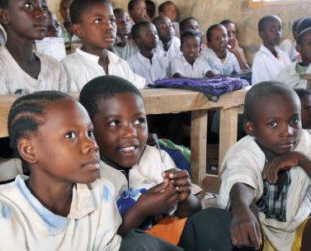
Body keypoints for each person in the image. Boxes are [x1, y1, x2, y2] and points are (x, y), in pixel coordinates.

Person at [0, 91, 122, 250]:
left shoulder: (100, 195)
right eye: (70, 135)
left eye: (90, 133)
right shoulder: (0, 217)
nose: (92, 145)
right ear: (29, 150)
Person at [180, 82, 311, 251]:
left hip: (298, 233)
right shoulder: (244, 151)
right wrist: (241, 209)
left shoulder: (305, 144)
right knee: (222, 219)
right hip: (260, 234)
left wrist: (302, 160)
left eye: (294, 120)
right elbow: (240, 180)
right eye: (273, 124)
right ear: (250, 128)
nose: (288, 131)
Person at [79, 75, 201, 246]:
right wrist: (141, 210)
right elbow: (98, 242)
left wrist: (185, 197)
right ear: (89, 129)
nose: (131, 133)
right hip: (122, 246)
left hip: (163, 240)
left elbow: (194, 210)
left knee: (212, 220)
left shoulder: (158, 158)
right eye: (115, 123)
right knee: (137, 244)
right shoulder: (85, 175)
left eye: (139, 121)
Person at [61, 0, 146, 92]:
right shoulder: (67, 69)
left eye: (112, 20)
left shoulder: (120, 63)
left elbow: (141, 86)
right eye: (98, 20)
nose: (109, 26)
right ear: (78, 30)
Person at [252, 15, 291, 85]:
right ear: (261, 34)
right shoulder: (260, 59)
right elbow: (262, 89)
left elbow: (292, 78)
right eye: (272, 29)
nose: (278, 33)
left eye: (279, 29)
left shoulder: (283, 55)